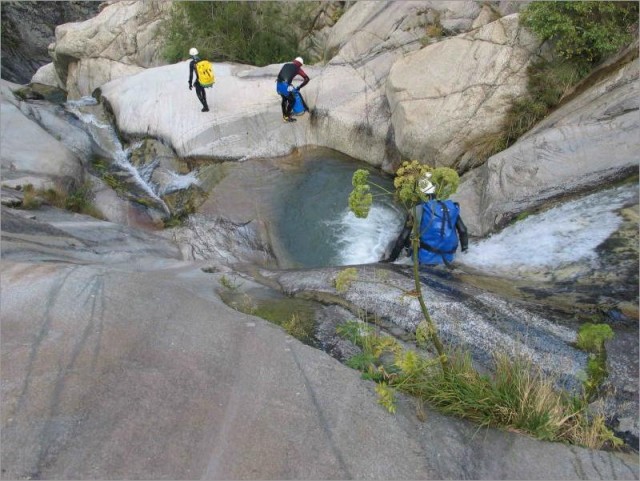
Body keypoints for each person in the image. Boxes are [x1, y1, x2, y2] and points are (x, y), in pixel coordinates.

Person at [385, 173, 468, 266]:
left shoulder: (417, 209)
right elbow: (463, 230)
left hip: (424, 260)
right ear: (436, 192)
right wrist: (465, 252)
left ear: (420, 193)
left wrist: (391, 259)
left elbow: (403, 237)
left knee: (404, 238)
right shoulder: (450, 207)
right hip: (448, 258)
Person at [276, 56, 310, 123]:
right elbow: (307, 79)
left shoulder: (286, 64)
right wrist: (300, 87)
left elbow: (280, 74)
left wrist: (289, 84)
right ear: (300, 64)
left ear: (294, 61)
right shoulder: (298, 68)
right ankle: (287, 117)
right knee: (292, 100)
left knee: (284, 99)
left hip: (278, 84)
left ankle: (284, 115)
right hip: (285, 85)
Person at [188, 47, 209, 112]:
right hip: (204, 79)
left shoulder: (192, 63)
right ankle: (206, 105)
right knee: (202, 90)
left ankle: (205, 107)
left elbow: (191, 74)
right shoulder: (202, 60)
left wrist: (190, 83)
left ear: (191, 55)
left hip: (199, 79)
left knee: (198, 93)